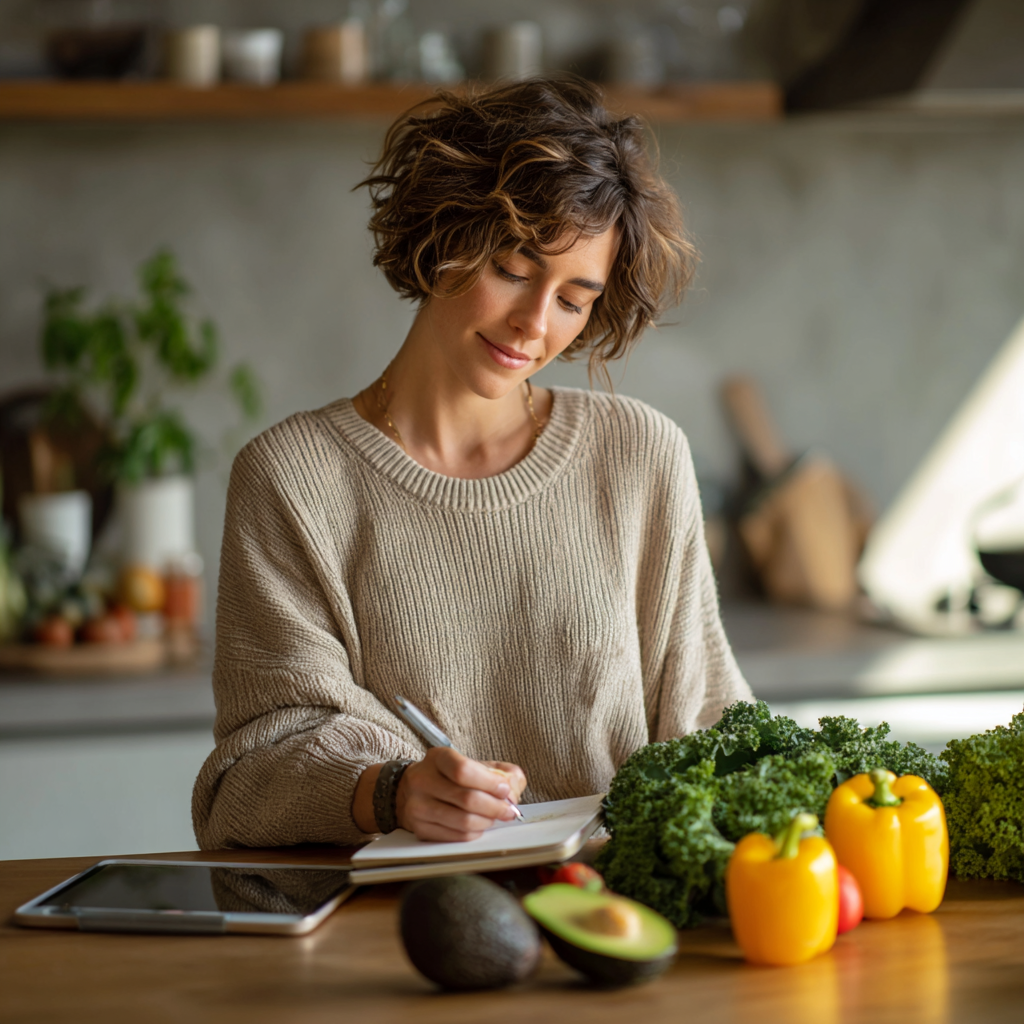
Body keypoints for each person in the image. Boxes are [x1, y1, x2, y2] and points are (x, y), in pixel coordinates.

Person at [192, 75, 751, 851]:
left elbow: (710, 727)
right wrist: (388, 792)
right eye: (515, 269)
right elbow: (247, 777)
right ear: (443, 235)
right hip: (397, 937)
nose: (533, 324)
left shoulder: (641, 456)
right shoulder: (291, 478)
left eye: (573, 298)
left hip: (615, 921)